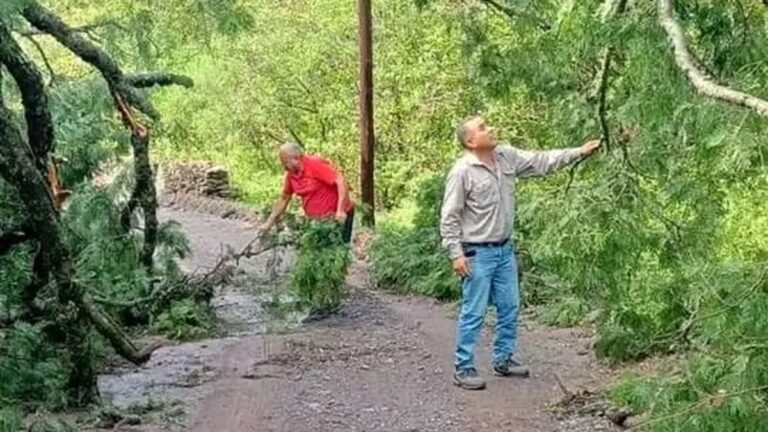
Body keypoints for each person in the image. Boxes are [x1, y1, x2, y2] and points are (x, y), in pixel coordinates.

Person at [440, 116, 600, 390]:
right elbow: (450, 216)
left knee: (510, 307)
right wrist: (456, 253)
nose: (491, 128)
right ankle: (463, 368)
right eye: (483, 128)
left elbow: (542, 161)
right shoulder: (462, 172)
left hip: (504, 250)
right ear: (471, 141)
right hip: (477, 253)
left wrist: (579, 152)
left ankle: (503, 359)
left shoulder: (506, 157)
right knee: (474, 312)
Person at [259, 142, 355, 242]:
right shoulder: (291, 175)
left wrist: (340, 210)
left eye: (285, 162)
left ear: (296, 159)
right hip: (317, 222)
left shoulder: (314, 164)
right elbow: (284, 198)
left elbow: (340, 180)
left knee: (336, 248)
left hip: (337, 217)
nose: (284, 166)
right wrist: (269, 222)